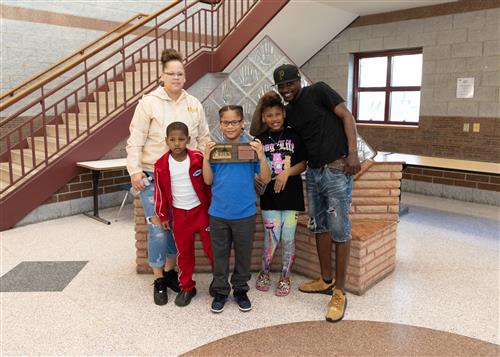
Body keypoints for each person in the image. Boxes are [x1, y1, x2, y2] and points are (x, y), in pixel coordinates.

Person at [273, 64, 361, 322]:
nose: (286, 90)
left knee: (339, 229)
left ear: (298, 80)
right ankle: (325, 280)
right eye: (281, 86)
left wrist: (353, 153)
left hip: (336, 169)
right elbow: (265, 128)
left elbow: (347, 116)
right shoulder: (288, 111)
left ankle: (340, 292)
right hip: (313, 174)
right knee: (319, 227)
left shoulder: (319, 91)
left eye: (290, 84)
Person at [126, 48, 210, 305]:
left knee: (177, 229)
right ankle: (159, 278)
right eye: (171, 73)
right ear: (161, 76)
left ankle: (173, 272)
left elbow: (204, 139)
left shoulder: (193, 104)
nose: (176, 77)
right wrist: (135, 170)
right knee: (158, 229)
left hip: (186, 177)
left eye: (180, 74)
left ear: (185, 77)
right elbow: (135, 140)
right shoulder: (148, 103)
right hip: (154, 175)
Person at [202, 105, 271, 313]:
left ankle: (240, 289)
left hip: (245, 213)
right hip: (219, 214)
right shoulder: (216, 149)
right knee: (220, 255)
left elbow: (266, 178)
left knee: (243, 255)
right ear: (220, 125)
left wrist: (260, 155)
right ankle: (221, 291)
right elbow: (207, 180)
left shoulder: (251, 148)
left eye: (234, 122)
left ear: (242, 123)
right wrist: (206, 157)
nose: (230, 126)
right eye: (225, 122)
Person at [151, 122, 214, 307]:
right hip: (179, 215)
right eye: (172, 140)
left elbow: (208, 185)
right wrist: (162, 215)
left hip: (201, 212)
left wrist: (212, 210)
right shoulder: (161, 165)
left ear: (188, 140)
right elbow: (159, 192)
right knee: (184, 254)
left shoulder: (197, 158)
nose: (177, 143)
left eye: (181, 139)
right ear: (166, 141)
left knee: (211, 249)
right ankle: (187, 287)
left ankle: (218, 281)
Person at [249, 91, 306, 297]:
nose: (274, 119)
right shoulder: (259, 139)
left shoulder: (294, 135)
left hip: (291, 196)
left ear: (283, 113)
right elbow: (254, 165)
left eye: (277, 114)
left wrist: (287, 173)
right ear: (263, 117)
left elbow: (303, 163)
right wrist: (256, 176)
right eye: (269, 115)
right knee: (271, 238)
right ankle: (264, 272)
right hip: (270, 197)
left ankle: (285, 276)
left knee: (288, 238)